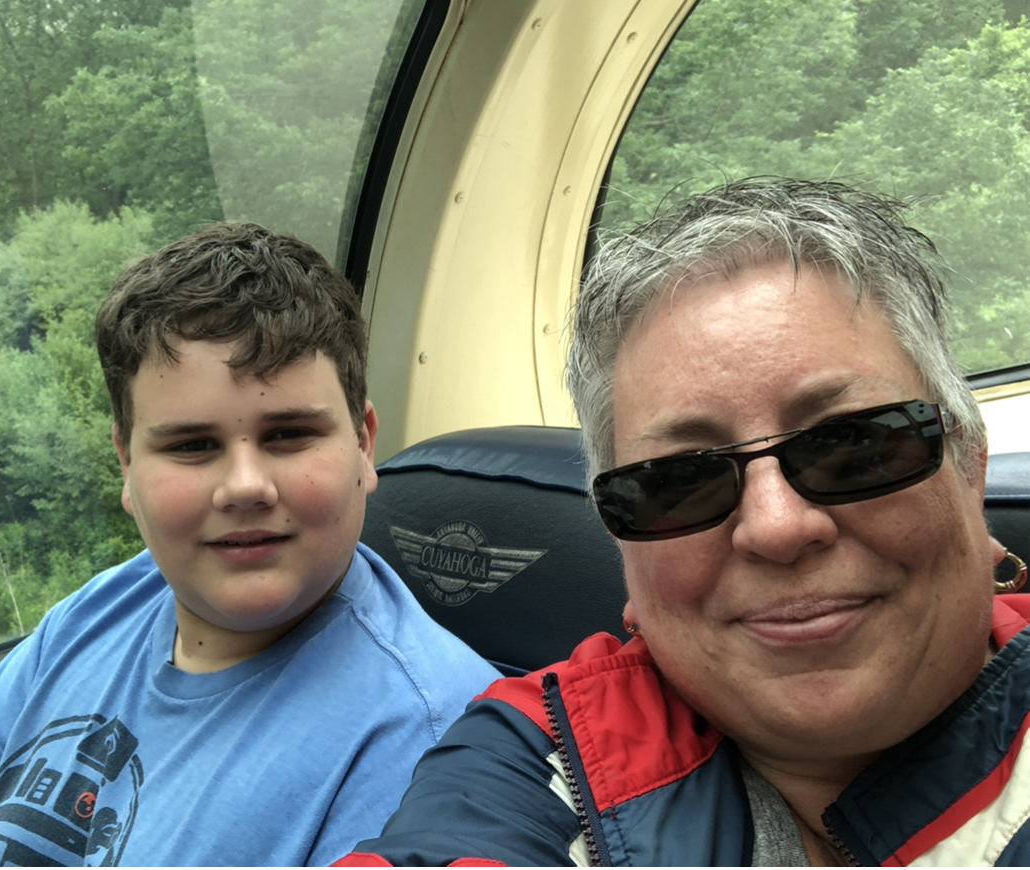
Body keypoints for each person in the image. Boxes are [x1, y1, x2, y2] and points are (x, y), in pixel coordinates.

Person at [337, 179, 1030, 866]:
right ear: (624, 551)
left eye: (852, 447)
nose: (776, 528)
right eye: (679, 482)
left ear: (969, 464)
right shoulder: (539, 754)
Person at [0, 223, 498, 867]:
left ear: (363, 444)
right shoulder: (92, 616)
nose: (245, 486)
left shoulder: (441, 747)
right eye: (192, 445)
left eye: (288, 434)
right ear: (126, 464)